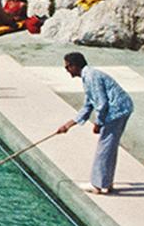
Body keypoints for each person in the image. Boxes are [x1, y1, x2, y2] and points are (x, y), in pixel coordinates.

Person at [54, 52, 134, 194]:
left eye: (67, 67)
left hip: (116, 111)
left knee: (105, 147)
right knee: (109, 146)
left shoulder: (91, 77)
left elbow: (102, 104)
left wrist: (98, 122)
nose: (66, 70)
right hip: (120, 109)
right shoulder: (88, 76)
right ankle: (105, 183)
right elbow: (88, 105)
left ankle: (98, 185)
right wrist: (68, 125)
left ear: (74, 66)